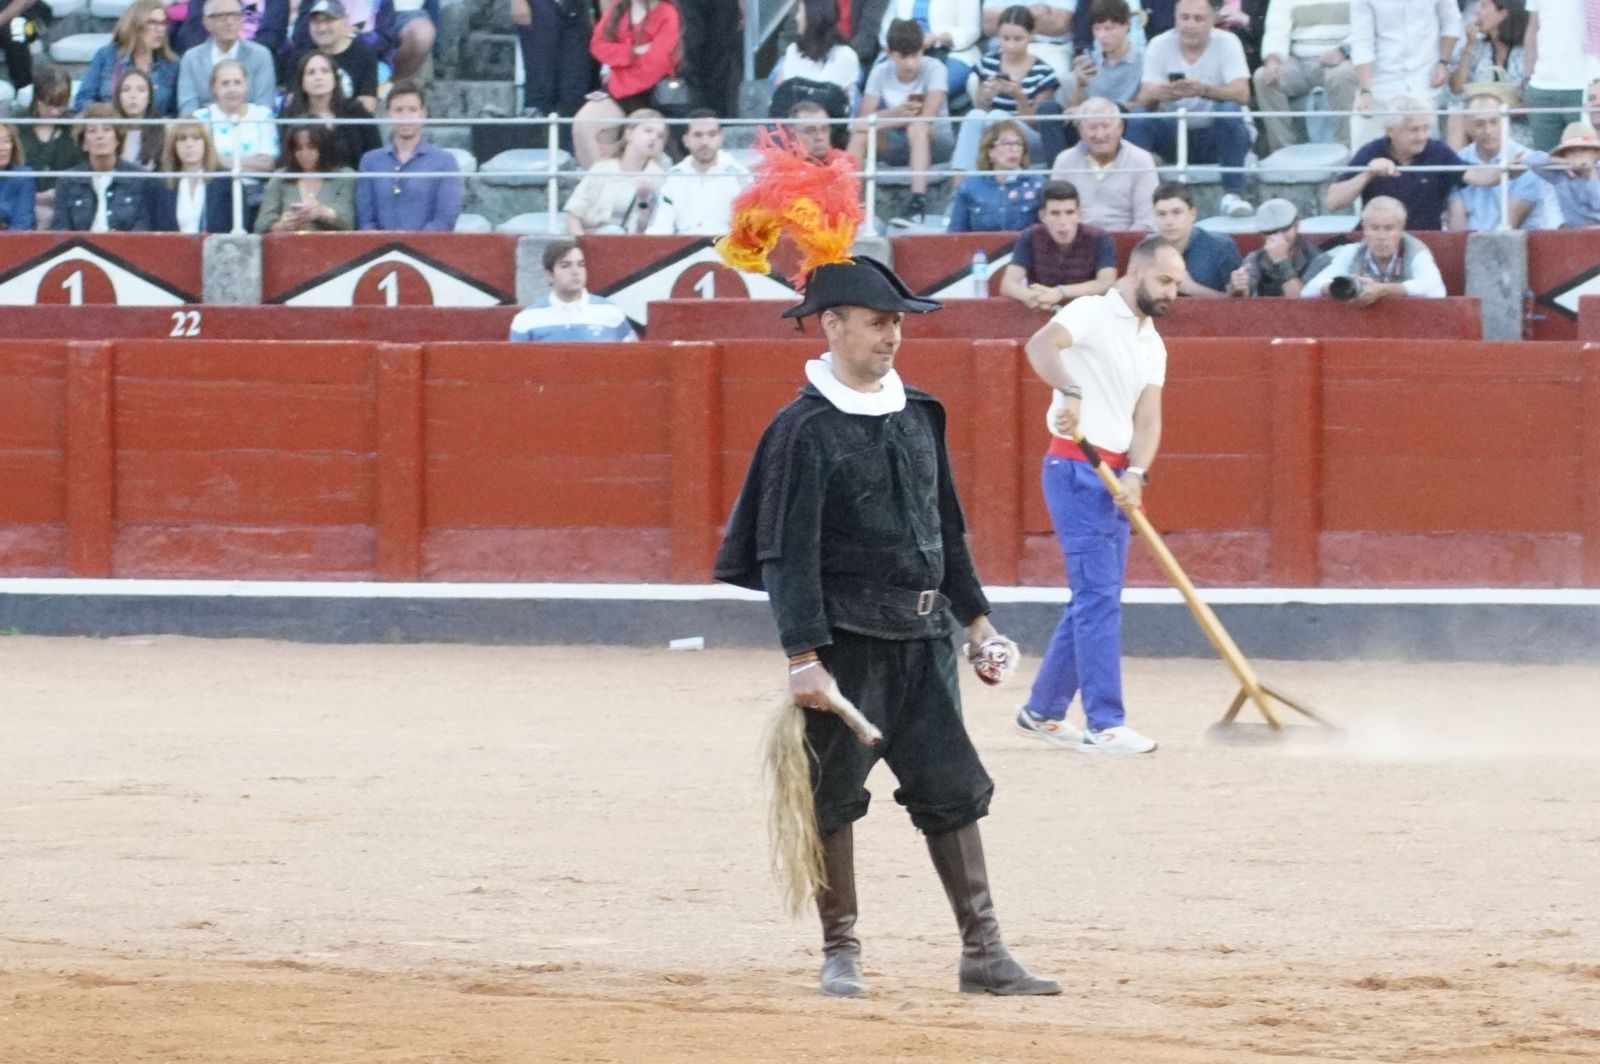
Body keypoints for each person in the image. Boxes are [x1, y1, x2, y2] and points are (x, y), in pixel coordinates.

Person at [714, 245, 1060, 998]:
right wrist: (803, 654)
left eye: (897, 322)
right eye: (877, 322)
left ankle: (984, 952)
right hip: (848, 648)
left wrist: (977, 626)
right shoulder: (802, 430)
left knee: (952, 790)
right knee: (830, 796)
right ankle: (841, 952)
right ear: (831, 325)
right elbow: (785, 554)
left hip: (925, 646)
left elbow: (947, 533)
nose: (893, 335)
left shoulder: (918, 414)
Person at [1016, 234, 1182, 755]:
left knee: (1096, 594)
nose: (1173, 291)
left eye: (1177, 283)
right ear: (1135, 273)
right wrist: (1069, 389)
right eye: (1165, 280)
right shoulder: (1091, 309)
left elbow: (1148, 419)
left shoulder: (1152, 342)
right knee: (1099, 596)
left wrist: (1138, 474)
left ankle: (1043, 710)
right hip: (1074, 464)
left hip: (1114, 477)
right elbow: (1040, 345)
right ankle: (1104, 722)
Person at [1128, 0, 1253, 218]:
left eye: (1198, 18)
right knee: (1138, 118)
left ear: (1213, 20)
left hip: (1218, 134)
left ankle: (1233, 195)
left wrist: (1204, 90)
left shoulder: (1228, 42)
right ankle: (1138, 198)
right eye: (1184, 18)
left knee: (1229, 109)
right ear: (1175, 19)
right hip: (1174, 134)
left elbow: (1243, 94)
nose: (1189, 25)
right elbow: (1145, 98)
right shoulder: (1159, 44)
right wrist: (1164, 92)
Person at [1326, 95, 1498, 231]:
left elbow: (1477, 176)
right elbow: (1333, 202)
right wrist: (1368, 174)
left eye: (1425, 128)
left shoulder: (1436, 150)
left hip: (1425, 243)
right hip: (1377, 243)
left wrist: (1507, 170)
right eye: (1414, 130)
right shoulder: (1372, 151)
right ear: (1391, 131)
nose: (1422, 136)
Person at [850, 19, 954, 227]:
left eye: (915, 55)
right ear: (889, 53)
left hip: (936, 141)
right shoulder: (880, 71)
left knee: (918, 127)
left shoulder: (935, 68)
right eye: (903, 57)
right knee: (861, 134)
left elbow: (928, 118)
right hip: (896, 143)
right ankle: (847, 200)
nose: (910, 64)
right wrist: (895, 113)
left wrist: (894, 118)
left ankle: (918, 201)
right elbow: (861, 122)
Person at [951, 7, 1065, 186]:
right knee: (975, 116)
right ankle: (959, 188)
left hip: (1029, 140)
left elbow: (1038, 122)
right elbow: (981, 109)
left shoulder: (1043, 72)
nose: (1010, 45)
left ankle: (1000, 183)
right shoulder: (989, 62)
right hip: (994, 135)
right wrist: (986, 97)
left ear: (1031, 35)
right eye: (1005, 38)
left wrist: (1019, 96)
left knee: (998, 118)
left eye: (1018, 39)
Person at [572, 0, 681, 170]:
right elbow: (597, 45)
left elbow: (656, 64)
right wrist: (632, 52)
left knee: (644, 138)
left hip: (651, 94)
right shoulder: (619, 7)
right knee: (584, 123)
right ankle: (601, 186)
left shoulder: (668, 13)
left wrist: (619, 62)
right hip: (618, 89)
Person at [1348, 0, 1461, 147]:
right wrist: (1365, 89)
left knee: (1422, 157)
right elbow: (1362, 41)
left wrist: (1443, 62)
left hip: (1424, 83)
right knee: (1365, 156)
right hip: (1380, 86)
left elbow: (1452, 21)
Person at [356, 81, 463, 230]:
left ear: (423, 113)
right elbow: (366, 219)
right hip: (380, 250)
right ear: (388, 113)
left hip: (428, 249)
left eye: (412, 110)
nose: (405, 116)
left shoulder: (444, 162)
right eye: (398, 110)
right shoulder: (370, 161)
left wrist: (412, 246)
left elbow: (445, 219)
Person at [1252, 0, 1357, 153]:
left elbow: (1366, 29)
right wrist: (1273, 58)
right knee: (1262, 77)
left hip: (1341, 59)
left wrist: (1344, 51)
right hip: (1298, 59)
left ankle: (1349, 150)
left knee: (1342, 75)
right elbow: (1276, 30)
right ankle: (1283, 151)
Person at [999, 180, 1116, 310]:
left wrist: (1060, 292)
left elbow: (1106, 283)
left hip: (1087, 314)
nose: (1063, 222)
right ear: (1043, 216)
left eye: (1069, 212)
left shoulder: (1099, 237)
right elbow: (1008, 284)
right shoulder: (1030, 236)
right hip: (1042, 312)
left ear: (1079, 214)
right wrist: (1030, 296)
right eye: (1055, 213)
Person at [1301, 196, 1446, 300]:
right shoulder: (1351, 252)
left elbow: (1436, 290)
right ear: (1364, 229)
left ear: (1401, 230)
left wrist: (1383, 289)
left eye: (1389, 228)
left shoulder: (1416, 252)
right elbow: (1308, 291)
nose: (1381, 236)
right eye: (1374, 228)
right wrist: (1341, 289)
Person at [1049, 96, 1158, 231]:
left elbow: (1147, 220)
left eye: (1106, 126)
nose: (1100, 135)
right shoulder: (1065, 161)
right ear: (1080, 131)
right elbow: (1056, 215)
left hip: (1127, 243)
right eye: (1092, 128)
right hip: (1078, 244)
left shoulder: (1141, 160)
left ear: (1120, 128)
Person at [193, 59, 278, 230]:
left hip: (256, 192)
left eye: (237, 83)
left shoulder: (262, 115)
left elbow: (268, 163)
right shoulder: (201, 118)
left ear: (246, 85)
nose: (232, 89)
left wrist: (219, 160)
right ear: (213, 88)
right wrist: (250, 161)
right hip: (214, 192)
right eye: (225, 84)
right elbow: (199, 162)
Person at [51, 104, 159, 231]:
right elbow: (61, 231)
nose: (99, 136)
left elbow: (143, 229)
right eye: (92, 131)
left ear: (118, 139)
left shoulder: (139, 179)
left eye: (107, 129)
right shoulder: (68, 181)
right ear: (84, 143)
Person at [509, 241, 639, 342]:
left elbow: (632, 362)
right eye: (565, 266)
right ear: (549, 275)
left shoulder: (611, 312)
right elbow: (517, 370)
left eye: (580, 265)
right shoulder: (527, 319)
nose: (575, 272)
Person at [645, 110, 751, 235]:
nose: (705, 142)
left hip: (727, 248)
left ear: (721, 138)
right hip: (683, 249)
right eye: (698, 135)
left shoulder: (741, 176)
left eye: (712, 134)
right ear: (686, 140)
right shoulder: (675, 176)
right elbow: (660, 228)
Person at [563, 110, 668, 234]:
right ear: (629, 134)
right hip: (590, 239)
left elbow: (645, 229)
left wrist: (643, 200)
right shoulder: (601, 169)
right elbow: (573, 215)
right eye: (648, 130)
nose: (654, 137)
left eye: (660, 136)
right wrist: (583, 243)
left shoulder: (659, 177)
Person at [1456, 92, 1549, 231]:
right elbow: (1457, 223)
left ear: (1506, 122)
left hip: (1516, 242)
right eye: (1479, 124)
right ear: (1467, 126)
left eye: (1494, 122)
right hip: (1469, 241)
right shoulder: (1457, 160)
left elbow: (1509, 223)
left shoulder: (1526, 160)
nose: (1488, 131)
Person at [74, 0, 180, 117]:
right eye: (152, 23)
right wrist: (105, 116)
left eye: (163, 23)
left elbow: (175, 112)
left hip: (152, 132)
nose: (160, 29)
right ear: (135, 25)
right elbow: (82, 101)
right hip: (111, 130)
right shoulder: (106, 56)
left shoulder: (172, 65)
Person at [1444, 0, 1526, 148]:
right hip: (1480, 123)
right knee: (1456, 115)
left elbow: (1531, 102)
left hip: (1514, 125)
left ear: (1503, 13)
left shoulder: (1526, 51)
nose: (1477, 12)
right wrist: (1469, 46)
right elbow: (1456, 91)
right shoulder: (1479, 47)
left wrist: (1497, 110)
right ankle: (1456, 170)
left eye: (1484, 6)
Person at [279, 50, 381, 170]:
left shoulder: (357, 112)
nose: (318, 77)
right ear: (302, 83)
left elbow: (375, 154)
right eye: (311, 73)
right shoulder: (291, 116)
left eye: (325, 71)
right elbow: (286, 159)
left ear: (335, 79)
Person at [177, 0, 278, 114]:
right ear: (207, 22)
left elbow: (264, 106)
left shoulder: (261, 55)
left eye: (235, 15)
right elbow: (188, 108)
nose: (230, 22)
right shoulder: (192, 58)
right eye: (222, 16)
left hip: (249, 127)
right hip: (203, 128)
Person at [15, 67, 84, 230]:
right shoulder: (16, 126)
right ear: (36, 98)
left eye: (60, 105)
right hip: (18, 205)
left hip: (66, 205)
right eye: (48, 104)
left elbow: (82, 171)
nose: (54, 112)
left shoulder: (75, 128)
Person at [945, 118, 1043, 232]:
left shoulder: (1037, 184)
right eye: (1007, 143)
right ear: (990, 151)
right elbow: (956, 233)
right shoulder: (969, 186)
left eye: (1019, 144)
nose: (1014, 149)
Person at [254, 124, 357, 231]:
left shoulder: (345, 176)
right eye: (298, 148)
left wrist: (322, 212)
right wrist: (283, 225)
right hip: (290, 244)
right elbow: (261, 226)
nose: (305, 154)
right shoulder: (280, 177)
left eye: (311, 147)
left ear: (324, 147)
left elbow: (349, 223)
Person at [511, 0, 593, 131]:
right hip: (538, 7)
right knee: (540, 84)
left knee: (574, 87)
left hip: (578, 9)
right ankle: (536, 134)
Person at [876, 0, 983, 99]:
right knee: (879, 86)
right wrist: (904, 42)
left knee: (932, 90)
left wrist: (938, 38)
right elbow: (887, 27)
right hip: (903, 49)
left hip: (950, 51)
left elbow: (971, 30)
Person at [290, 0, 381, 114]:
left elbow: (367, 104)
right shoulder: (299, 56)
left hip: (350, 127)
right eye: (316, 22)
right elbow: (292, 102)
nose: (322, 28)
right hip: (310, 126)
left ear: (345, 21)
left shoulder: (365, 55)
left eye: (329, 20)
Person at [1521, 0, 1589, 152]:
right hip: (1541, 88)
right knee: (1547, 165)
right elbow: (1533, 27)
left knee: (1588, 163)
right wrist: (1528, 77)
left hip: (1585, 88)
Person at [151, 120, 241, 232]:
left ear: (206, 143)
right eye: (182, 139)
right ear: (173, 145)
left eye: (196, 138)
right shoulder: (161, 184)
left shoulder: (226, 180)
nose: (189, 145)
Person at [773, 0, 863, 112]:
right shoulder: (793, 51)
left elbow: (825, 101)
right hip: (792, 126)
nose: (796, 18)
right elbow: (783, 98)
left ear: (813, 15)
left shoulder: (845, 55)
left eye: (800, 12)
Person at [1152, 181, 1239, 295]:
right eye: (1161, 214)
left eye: (1176, 212)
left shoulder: (1221, 248)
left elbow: (1239, 306)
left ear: (1192, 214)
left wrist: (1191, 289)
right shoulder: (1147, 250)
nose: (1169, 221)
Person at [1226, 199, 1321, 297]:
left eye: (1284, 230)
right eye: (1269, 232)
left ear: (1296, 225)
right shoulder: (1256, 258)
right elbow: (1240, 295)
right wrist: (1237, 286)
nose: (1277, 237)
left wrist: (1282, 261)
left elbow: (1302, 302)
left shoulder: (1316, 258)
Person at [1065, 0, 1145, 112]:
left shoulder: (1143, 61)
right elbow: (1073, 112)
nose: (1101, 36)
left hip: (1128, 122)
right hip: (1092, 124)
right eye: (1097, 29)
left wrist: (1107, 110)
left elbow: (1147, 106)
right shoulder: (1090, 62)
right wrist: (1080, 85)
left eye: (1109, 28)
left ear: (1127, 25)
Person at [1518, 122, 1600, 229]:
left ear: (1595, 153)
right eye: (1572, 151)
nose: (1578, 154)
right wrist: (1560, 161)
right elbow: (1530, 160)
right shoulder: (1559, 176)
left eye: (1584, 149)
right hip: (1574, 233)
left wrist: (1591, 175)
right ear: (1564, 154)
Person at [113, 69, 166, 170]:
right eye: (126, 89)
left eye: (141, 90)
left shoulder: (164, 131)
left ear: (149, 97)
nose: (133, 96)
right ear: (118, 96)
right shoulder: (109, 131)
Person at [0, 124, 37, 231]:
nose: (2, 148)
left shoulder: (23, 175)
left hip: (11, 242)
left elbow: (23, 222)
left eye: (6, 141)